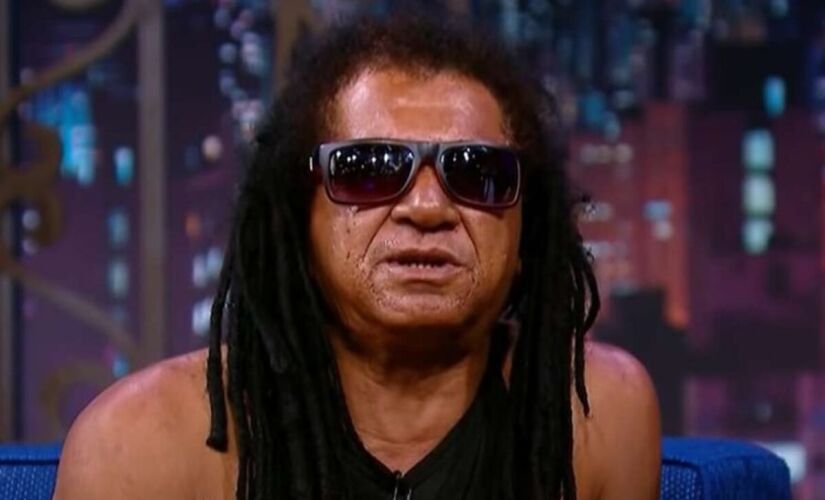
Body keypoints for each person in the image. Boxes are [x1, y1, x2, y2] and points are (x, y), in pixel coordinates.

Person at [53, 13, 660, 500]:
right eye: (369, 170)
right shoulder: (139, 445)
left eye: (477, 173)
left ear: (527, 231)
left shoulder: (597, 415)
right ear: (298, 221)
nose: (427, 207)